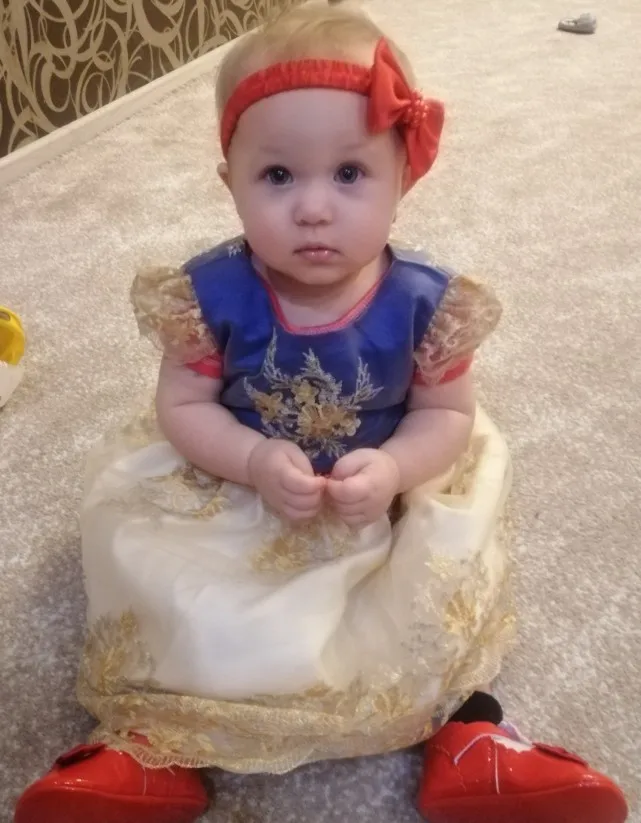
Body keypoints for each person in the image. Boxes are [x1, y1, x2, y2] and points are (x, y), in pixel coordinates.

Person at [15, 2, 628, 823]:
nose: (312, 207)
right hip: (237, 477)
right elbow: (184, 403)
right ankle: (145, 745)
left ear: (403, 175)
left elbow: (445, 414)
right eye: (277, 176)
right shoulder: (203, 297)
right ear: (229, 181)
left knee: (435, 582)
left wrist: (399, 465)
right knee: (164, 572)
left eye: (348, 173)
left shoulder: (430, 305)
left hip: (385, 481)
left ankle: (469, 733)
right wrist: (249, 458)